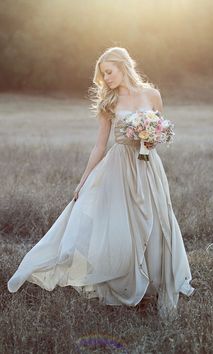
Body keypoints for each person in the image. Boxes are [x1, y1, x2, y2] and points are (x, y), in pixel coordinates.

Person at [7, 47, 195, 316]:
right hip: (117, 168)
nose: (105, 78)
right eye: (102, 74)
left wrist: (151, 138)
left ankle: (154, 284)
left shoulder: (152, 95)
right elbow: (99, 146)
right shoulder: (109, 102)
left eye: (109, 71)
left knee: (155, 222)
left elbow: (159, 134)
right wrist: (82, 182)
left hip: (147, 167)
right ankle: (126, 284)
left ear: (123, 66)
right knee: (121, 225)